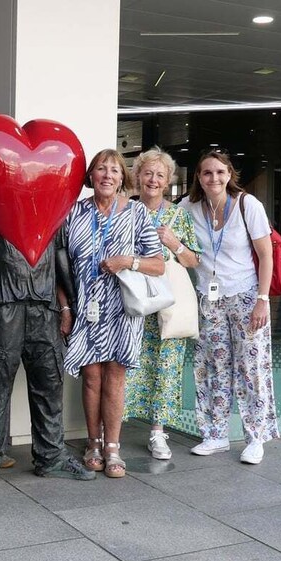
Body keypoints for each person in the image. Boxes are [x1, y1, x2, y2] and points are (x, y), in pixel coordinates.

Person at [0, 221, 95, 491]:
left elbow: (61, 257)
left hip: (45, 306)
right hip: (3, 305)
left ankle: (51, 454)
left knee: (49, 381)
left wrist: (70, 304)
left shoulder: (51, 211)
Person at [63, 149, 164, 478]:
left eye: (114, 170)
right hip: (86, 308)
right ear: (90, 176)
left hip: (122, 308)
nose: (107, 175)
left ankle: (113, 448)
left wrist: (127, 261)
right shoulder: (73, 212)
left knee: (115, 378)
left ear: (123, 178)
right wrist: (65, 307)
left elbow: (158, 264)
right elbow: (56, 265)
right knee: (91, 377)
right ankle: (93, 442)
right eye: (100, 169)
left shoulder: (135, 212)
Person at [179, 150, 278, 464]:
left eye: (220, 172)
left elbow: (266, 256)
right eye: (207, 173)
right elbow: (167, 225)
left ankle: (255, 438)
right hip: (210, 301)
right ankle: (216, 434)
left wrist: (263, 300)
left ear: (229, 174)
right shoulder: (189, 206)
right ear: (198, 177)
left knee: (252, 370)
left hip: (247, 296)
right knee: (212, 368)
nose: (214, 179)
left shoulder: (248, 206)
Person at [124, 147, 201, 460]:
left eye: (160, 175)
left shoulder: (178, 216)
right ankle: (111, 429)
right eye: (148, 173)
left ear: (169, 181)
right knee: (125, 365)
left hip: (167, 304)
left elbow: (193, 260)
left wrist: (174, 242)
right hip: (131, 302)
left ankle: (158, 434)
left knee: (166, 369)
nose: (153, 180)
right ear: (138, 177)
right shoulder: (126, 210)